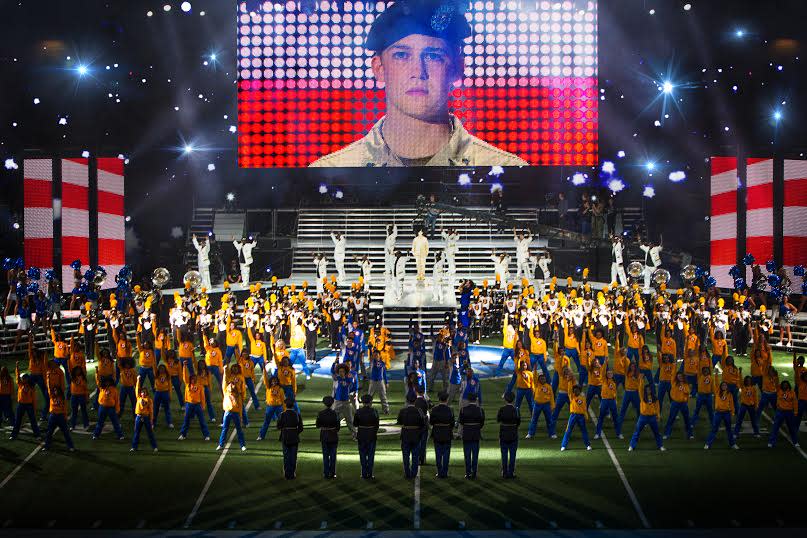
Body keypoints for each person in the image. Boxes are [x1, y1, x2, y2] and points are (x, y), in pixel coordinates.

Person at [308, 0, 526, 167]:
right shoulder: (332, 172)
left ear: (457, 69)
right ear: (379, 68)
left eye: (433, 56)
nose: (418, 72)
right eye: (402, 55)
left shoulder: (505, 170)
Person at [177, 364, 211, 441]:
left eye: (195, 378)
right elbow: (184, 375)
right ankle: (183, 434)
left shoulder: (200, 386)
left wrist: (203, 406)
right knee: (186, 420)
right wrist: (185, 366)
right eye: (192, 378)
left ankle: (206, 435)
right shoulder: (187, 384)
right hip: (189, 404)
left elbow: (202, 397)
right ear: (190, 379)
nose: (194, 380)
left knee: (202, 420)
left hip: (197, 405)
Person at [218, 364, 247, 452]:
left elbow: (241, 407)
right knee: (225, 429)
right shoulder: (226, 391)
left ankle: (242, 445)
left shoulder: (238, 396)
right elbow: (224, 381)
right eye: (230, 384)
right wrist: (225, 370)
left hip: (236, 412)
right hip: (227, 412)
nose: (231, 385)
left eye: (233, 385)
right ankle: (221, 444)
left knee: (239, 429)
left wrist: (241, 416)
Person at [397, 393, 426, 479]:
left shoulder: (402, 411)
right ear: (415, 401)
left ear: (407, 400)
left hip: (405, 435)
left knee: (405, 456)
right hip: (416, 436)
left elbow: (399, 421)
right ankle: (414, 473)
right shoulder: (419, 411)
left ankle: (407, 473)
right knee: (415, 455)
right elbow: (423, 424)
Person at [628, 384, 665, 452]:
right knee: (637, 432)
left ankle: (660, 446)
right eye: (647, 389)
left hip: (652, 417)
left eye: (649, 389)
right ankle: (631, 446)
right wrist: (641, 380)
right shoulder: (642, 396)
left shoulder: (655, 398)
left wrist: (658, 416)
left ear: (651, 390)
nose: (648, 391)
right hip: (643, 417)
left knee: (656, 433)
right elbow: (640, 388)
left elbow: (657, 408)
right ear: (645, 390)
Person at [705, 381, 739, 450]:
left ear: (727, 387)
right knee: (714, 429)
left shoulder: (729, 394)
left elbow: (732, 404)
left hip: (727, 413)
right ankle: (708, 444)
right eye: (722, 385)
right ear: (720, 386)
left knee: (729, 430)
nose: (724, 386)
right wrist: (716, 375)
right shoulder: (717, 392)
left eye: (725, 385)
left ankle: (732, 444)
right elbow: (716, 383)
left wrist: (732, 413)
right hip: (718, 413)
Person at [353, 394, 380, 479]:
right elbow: (377, 425)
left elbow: (355, 424)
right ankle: (370, 473)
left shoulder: (358, 411)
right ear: (370, 402)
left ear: (363, 402)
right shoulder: (374, 411)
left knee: (363, 454)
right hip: (371, 435)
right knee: (371, 455)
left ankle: (364, 473)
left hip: (361, 435)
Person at [458, 391, 484, 478]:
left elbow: (461, 422)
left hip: (466, 434)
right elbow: (482, 423)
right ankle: (474, 473)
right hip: (476, 434)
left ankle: (468, 473)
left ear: (468, 400)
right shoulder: (480, 410)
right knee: (475, 455)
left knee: (467, 455)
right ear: (476, 399)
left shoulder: (463, 409)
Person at [429, 390, 455, 478]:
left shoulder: (434, 409)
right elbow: (452, 423)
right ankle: (445, 472)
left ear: (439, 399)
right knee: (446, 454)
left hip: (437, 433)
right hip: (447, 433)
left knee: (438, 454)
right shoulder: (450, 409)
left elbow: (431, 422)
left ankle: (439, 472)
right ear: (447, 399)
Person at [277, 397, 304, 479]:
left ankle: (286, 474)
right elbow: (301, 428)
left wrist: (285, 430)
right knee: (293, 456)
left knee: (286, 456)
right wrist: (295, 432)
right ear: (293, 405)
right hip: (294, 437)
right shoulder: (297, 414)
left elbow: (279, 426)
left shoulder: (282, 414)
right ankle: (292, 474)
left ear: (285, 405)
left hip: (285, 437)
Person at [767, 380, 799, 448]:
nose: (784, 385)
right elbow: (776, 383)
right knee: (775, 427)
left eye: (786, 384)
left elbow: (795, 402)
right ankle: (771, 442)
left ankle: (795, 441)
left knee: (792, 428)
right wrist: (775, 377)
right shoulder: (779, 391)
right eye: (783, 384)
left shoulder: (792, 392)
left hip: (789, 412)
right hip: (780, 411)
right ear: (781, 385)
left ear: (788, 385)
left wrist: (795, 411)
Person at [42, 385, 74, 452]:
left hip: (60, 417)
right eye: (54, 390)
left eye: (57, 390)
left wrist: (65, 417)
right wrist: (48, 375)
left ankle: (71, 446)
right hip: (53, 416)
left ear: (60, 391)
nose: (55, 391)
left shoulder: (63, 398)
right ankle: (46, 446)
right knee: (49, 432)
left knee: (66, 432)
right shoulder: (51, 397)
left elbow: (65, 409)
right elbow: (48, 386)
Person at [131, 375, 158, 452]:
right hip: (138, 417)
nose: (143, 393)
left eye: (144, 392)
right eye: (142, 392)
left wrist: (151, 421)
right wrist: (138, 380)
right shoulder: (138, 397)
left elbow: (151, 411)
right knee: (136, 433)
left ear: (146, 393)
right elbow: (136, 389)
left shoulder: (149, 400)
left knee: (150, 433)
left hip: (146, 417)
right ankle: (134, 447)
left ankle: (154, 447)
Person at [560, 385, 591, 451]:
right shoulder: (572, 397)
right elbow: (569, 390)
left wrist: (586, 416)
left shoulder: (583, 398)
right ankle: (563, 446)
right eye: (575, 390)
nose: (576, 391)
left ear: (580, 391)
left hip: (581, 416)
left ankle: (588, 445)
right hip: (573, 415)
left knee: (584, 430)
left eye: (577, 390)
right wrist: (570, 381)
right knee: (568, 430)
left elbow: (584, 408)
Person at [92, 376, 124, 440]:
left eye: (108, 382)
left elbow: (117, 400)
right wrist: (97, 373)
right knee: (100, 422)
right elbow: (97, 381)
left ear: (111, 382)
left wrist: (117, 409)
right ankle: (96, 435)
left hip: (111, 408)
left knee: (115, 422)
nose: (107, 383)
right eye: (106, 382)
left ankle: (120, 435)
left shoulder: (114, 389)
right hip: (102, 407)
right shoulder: (101, 388)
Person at [497, 391, 520, 479]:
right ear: (513, 399)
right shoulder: (516, 409)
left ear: (505, 399)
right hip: (513, 433)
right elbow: (518, 422)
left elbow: (498, 420)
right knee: (513, 454)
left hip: (503, 433)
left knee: (504, 454)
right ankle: (511, 472)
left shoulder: (502, 409)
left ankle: (504, 472)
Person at [316, 395, 340, 479]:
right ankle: (332, 473)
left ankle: (326, 473)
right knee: (333, 455)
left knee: (325, 455)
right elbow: (338, 427)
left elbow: (317, 425)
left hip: (324, 435)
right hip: (333, 435)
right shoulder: (335, 413)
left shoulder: (320, 413)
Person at [367, 349, 390, 414]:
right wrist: (370, 349)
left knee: (383, 396)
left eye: (376, 355)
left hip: (380, 381)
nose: (375, 356)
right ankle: (367, 408)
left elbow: (384, 373)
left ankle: (386, 409)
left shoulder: (382, 363)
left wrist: (386, 382)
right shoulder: (372, 362)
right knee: (370, 396)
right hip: (373, 381)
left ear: (379, 355)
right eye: (374, 355)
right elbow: (372, 361)